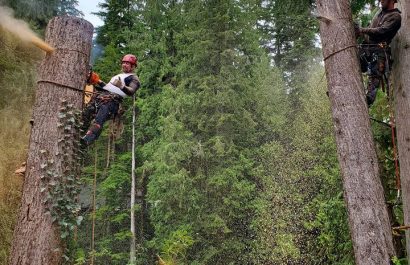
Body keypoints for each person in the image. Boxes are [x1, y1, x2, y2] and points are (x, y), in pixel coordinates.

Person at [81, 54, 140, 145]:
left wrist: (121, 86)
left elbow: (131, 91)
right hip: (101, 97)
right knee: (86, 114)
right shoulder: (119, 76)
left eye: (127, 63)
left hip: (112, 102)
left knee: (99, 119)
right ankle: (79, 133)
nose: (124, 65)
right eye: (123, 63)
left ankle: (87, 139)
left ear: (133, 66)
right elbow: (108, 87)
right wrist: (98, 81)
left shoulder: (133, 78)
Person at [355, 0, 401, 106]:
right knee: (351, 63)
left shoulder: (395, 16)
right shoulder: (379, 13)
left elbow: (381, 31)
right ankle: (343, 87)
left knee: (374, 78)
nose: (380, 1)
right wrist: (359, 32)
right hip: (367, 47)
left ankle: (366, 101)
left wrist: (362, 30)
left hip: (379, 50)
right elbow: (370, 30)